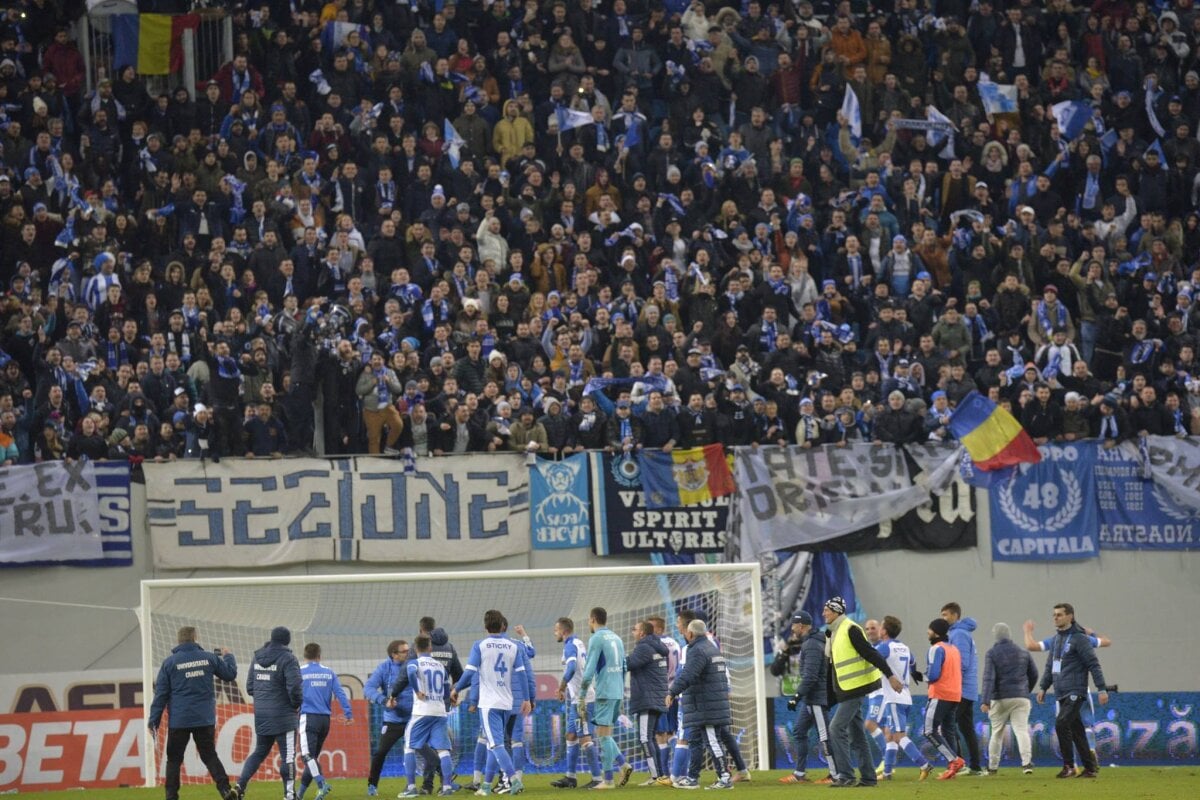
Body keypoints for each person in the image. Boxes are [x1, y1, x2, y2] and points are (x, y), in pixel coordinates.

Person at [147, 627, 240, 800]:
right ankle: (226, 791)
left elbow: (161, 695)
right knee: (209, 755)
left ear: (179, 640)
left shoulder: (170, 663)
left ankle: (171, 796)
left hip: (179, 720)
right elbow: (230, 674)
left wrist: (153, 721)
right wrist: (228, 656)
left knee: (174, 760)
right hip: (203, 719)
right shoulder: (209, 658)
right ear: (195, 638)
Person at [822, 596, 901, 788]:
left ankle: (846, 775)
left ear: (837, 612)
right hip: (847, 690)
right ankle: (868, 778)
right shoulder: (834, 632)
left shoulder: (850, 629)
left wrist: (890, 675)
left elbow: (870, 653)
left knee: (835, 728)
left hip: (855, 689)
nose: (824, 613)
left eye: (827, 610)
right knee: (857, 736)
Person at [451, 609, 527, 796]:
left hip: (489, 703)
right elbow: (522, 673)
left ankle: (514, 780)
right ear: (502, 626)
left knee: (496, 745)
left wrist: (456, 689)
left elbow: (469, 672)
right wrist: (526, 699)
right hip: (507, 702)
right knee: (495, 743)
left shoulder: (480, 645)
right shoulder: (513, 646)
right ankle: (485, 785)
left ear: (485, 627)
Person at [1023, 618, 1112, 769]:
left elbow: (1031, 646)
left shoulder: (1056, 641)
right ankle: (1090, 751)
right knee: (1085, 724)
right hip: (1083, 690)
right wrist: (1093, 633)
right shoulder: (1084, 638)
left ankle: (1072, 764)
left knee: (1065, 725)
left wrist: (1028, 631)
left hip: (1064, 690)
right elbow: (1107, 642)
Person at [235, 626, 303, 800]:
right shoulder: (288, 659)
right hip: (284, 716)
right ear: (287, 641)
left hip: (263, 715)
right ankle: (289, 795)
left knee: (258, 752)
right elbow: (295, 687)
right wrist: (296, 704)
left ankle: (239, 786)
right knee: (288, 756)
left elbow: (250, 687)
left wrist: (264, 698)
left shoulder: (257, 657)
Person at [666, 618, 733, 790]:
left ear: (690, 633)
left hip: (706, 706)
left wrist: (672, 692)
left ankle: (724, 778)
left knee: (712, 741)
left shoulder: (697, 651)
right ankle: (692, 777)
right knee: (695, 741)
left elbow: (688, 675)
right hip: (703, 704)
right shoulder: (711, 648)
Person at [774, 611, 836, 785]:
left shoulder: (812, 644)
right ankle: (799, 773)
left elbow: (811, 676)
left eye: (794, 625)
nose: (792, 629)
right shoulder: (812, 642)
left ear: (801, 626)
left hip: (816, 698)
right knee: (799, 731)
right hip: (811, 698)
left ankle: (835, 774)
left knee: (824, 736)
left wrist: (796, 696)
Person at [400, 634, 460, 797]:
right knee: (443, 750)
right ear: (430, 648)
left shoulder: (414, 663)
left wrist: (417, 690)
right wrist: (448, 702)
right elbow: (447, 689)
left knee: (409, 747)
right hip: (439, 712)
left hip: (422, 712)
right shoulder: (440, 666)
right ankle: (447, 787)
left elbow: (411, 673)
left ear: (415, 649)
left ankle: (411, 787)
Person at [873, 616, 931, 781]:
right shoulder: (904, 647)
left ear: (884, 630)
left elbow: (872, 659)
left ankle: (924, 765)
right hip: (905, 696)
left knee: (898, 736)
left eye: (881, 627)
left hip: (893, 696)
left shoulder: (885, 647)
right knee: (890, 735)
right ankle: (887, 772)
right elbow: (913, 664)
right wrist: (911, 674)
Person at [578, 606, 628, 790]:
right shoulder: (617, 638)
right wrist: (621, 689)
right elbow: (624, 666)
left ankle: (608, 780)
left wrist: (582, 696)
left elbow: (589, 669)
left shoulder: (596, 638)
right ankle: (623, 764)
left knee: (603, 736)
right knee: (606, 734)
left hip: (605, 692)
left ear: (592, 620)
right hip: (617, 691)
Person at [980, 623, 1038, 775]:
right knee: (1021, 730)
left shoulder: (992, 653)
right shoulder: (1023, 652)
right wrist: (1025, 691)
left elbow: (989, 678)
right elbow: (1034, 674)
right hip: (1021, 698)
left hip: (999, 699)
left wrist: (985, 701)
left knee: (997, 733)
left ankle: (992, 767)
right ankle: (1027, 764)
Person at [551, 617, 602, 789]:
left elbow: (572, 668)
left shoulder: (569, 646)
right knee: (571, 736)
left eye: (556, 629)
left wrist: (561, 688)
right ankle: (570, 778)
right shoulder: (579, 642)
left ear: (564, 631)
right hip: (577, 699)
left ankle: (597, 778)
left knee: (585, 738)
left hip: (583, 700)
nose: (555, 632)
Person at [297, 643, 353, 800]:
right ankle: (299, 795)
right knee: (312, 759)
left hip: (308, 718)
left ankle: (322, 785)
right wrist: (348, 714)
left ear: (305, 656)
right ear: (319, 656)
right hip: (324, 721)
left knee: (307, 756)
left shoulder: (299, 672)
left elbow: (291, 694)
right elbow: (340, 694)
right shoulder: (329, 673)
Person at [365, 639, 412, 796]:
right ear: (394, 654)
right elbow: (368, 688)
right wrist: (384, 701)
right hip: (393, 720)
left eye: (408, 650)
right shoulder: (384, 668)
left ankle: (436, 784)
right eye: (404, 651)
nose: (408, 653)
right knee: (381, 752)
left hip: (415, 719)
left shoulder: (414, 664)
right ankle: (372, 785)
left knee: (428, 750)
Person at [626, 619, 670, 786]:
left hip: (648, 699)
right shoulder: (657, 646)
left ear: (642, 633)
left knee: (645, 738)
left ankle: (655, 777)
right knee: (650, 737)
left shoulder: (644, 647)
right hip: (656, 698)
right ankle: (660, 775)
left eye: (634, 628)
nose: (633, 632)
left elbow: (628, 664)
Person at [941, 602, 982, 775]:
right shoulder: (959, 633)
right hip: (967, 688)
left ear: (955, 615)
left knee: (948, 725)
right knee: (966, 728)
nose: (943, 618)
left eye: (945, 615)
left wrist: (946, 678)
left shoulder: (958, 634)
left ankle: (958, 763)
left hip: (961, 688)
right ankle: (975, 766)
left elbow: (961, 663)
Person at [922, 618, 966, 781]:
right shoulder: (953, 648)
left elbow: (933, 675)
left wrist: (922, 676)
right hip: (955, 694)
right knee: (949, 731)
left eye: (930, 629)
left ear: (936, 632)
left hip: (940, 694)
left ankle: (954, 761)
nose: (928, 632)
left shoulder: (936, 648)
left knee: (929, 731)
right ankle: (951, 768)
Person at [648, 615, 682, 782]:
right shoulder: (675, 643)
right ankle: (679, 769)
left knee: (660, 734)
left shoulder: (656, 645)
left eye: (651, 628)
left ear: (660, 629)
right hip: (674, 692)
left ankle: (665, 774)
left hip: (661, 693)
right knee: (671, 732)